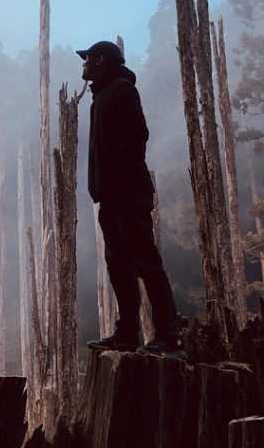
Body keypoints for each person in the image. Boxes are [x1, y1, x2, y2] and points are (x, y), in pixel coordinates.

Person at [78, 40, 181, 355]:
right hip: (111, 198)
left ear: (101, 61)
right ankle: (127, 334)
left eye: (88, 60)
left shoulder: (122, 90)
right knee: (119, 266)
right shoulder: (101, 97)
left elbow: (139, 136)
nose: (83, 66)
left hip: (128, 195)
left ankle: (167, 335)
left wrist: (119, 182)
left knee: (147, 263)